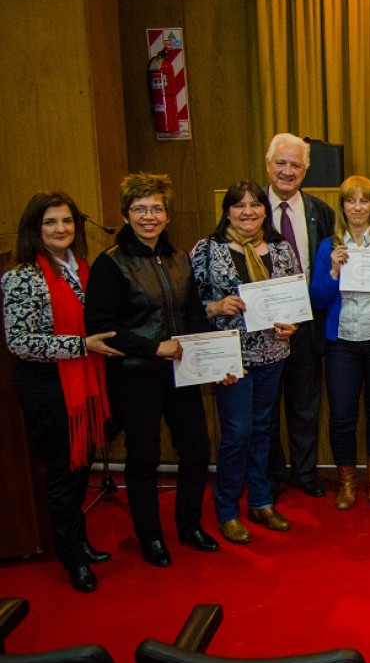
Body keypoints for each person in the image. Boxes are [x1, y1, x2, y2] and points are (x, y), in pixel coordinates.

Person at [85, 173, 218, 567]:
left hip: (181, 371)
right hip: (134, 374)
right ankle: (150, 536)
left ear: (167, 214)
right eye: (140, 209)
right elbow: (101, 327)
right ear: (126, 215)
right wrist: (153, 346)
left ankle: (189, 524)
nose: (149, 216)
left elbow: (192, 314)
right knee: (143, 455)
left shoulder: (178, 258)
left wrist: (213, 358)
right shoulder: (110, 264)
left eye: (156, 208)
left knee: (196, 450)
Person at [2, 192, 120, 592]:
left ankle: (80, 542)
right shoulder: (21, 276)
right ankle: (72, 558)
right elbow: (20, 342)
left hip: (85, 382)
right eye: (50, 223)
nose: (60, 229)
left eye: (67, 221)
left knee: (80, 469)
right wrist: (80, 346)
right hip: (48, 386)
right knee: (62, 474)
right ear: (35, 229)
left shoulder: (81, 267)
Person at [191, 180, 298, 544]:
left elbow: (293, 297)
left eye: (255, 204)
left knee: (264, 429)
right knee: (236, 434)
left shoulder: (281, 248)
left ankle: (261, 502)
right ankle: (226, 511)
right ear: (227, 211)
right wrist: (216, 307)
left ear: (265, 210)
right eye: (239, 205)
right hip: (229, 359)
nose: (248, 212)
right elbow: (191, 305)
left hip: (272, 353)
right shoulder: (207, 249)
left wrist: (291, 324)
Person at [310, 176, 370, 510]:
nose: (358, 207)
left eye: (365, 201)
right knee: (342, 416)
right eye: (351, 201)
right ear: (343, 206)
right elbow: (318, 300)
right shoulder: (328, 247)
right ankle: (348, 482)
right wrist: (333, 271)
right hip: (342, 344)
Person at [264, 133, 336, 499]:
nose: (287, 171)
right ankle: (272, 476)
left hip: (307, 323)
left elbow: (323, 270)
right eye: (281, 163)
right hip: (262, 328)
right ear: (268, 165)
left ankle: (305, 472)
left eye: (295, 165)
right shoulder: (250, 206)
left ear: (305, 170)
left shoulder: (320, 211)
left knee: (304, 404)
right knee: (266, 407)